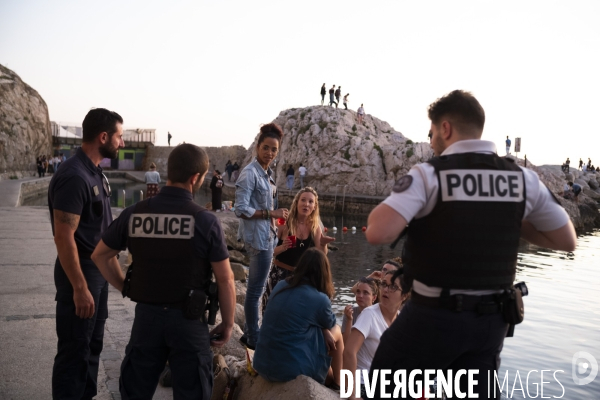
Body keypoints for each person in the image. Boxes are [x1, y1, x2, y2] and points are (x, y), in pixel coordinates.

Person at [365, 90, 577, 399]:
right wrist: (503, 217)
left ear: (446, 128)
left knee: (384, 387)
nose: (432, 142)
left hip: (432, 318)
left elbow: (377, 232)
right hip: (489, 326)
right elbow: (566, 240)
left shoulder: (429, 175)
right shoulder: (521, 179)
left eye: (433, 133)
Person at [91, 144, 235, 399]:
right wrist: (228, 322)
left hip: (147, 320)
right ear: (195, 178)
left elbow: (100, 255)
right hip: (189, 323)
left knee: (135, 391)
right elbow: (225, 279)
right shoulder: (205, 221)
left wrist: (125, 285)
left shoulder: (135, 213)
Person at [48, 108, 124, 399]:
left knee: (93, 346)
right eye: (118, 136)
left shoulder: (95, 172)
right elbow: (63, 236)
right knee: (74, 351)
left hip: (98, 274)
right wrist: (79, 288)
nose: (121, 142)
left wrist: (119, 282)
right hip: (79, 274)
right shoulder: (75, 176)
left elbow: (100, 232)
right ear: (103, 136)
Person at [253, 248, 344, 388]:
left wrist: (324, 330)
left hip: (261, 363)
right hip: (288, 371)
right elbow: (330, 323)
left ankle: (333, 379)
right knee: (337, 330)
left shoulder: (281, 285)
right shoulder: (320, 299)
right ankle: (339, 384)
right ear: (324, 273)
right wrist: (326, 330)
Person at [235, 123, 289, 350]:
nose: (269, 153)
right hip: (257, 240)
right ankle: (252, 336)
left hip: (266, 236)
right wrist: (271, 213)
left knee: (257, 287)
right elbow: (240, 209)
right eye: (265, 148)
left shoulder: (266, 172)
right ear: (258, 147)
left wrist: (275, 220)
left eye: (274, 149)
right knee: (256, 291)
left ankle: (251, 332)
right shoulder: (250, 173)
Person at [261, 187, 333, 311]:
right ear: (297, 202)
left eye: (311, 202)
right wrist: (283, 247)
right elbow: (268, 252)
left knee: (295, 314)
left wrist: (323, 244)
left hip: (302, 277)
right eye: (303, 200)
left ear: (315, 206)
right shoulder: (284, 223)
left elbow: (321, 256)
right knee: (273, 311)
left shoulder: (315, 227)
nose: (306, 204)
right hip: (279, 275)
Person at [343, 269, 410, 399]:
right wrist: (352, 395)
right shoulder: (370, 314)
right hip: (364, 384)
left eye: (393, 287)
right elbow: (349, 352)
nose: (385, 290)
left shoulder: (402, 321)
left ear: (404, 295)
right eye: (384, 284)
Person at [342, 277, 377, 345]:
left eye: (365, 293)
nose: (360, 296)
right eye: (358, 291)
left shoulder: (378, 315)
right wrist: (349, 320)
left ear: (374, 297)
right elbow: (346, 344)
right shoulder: (350, 312)